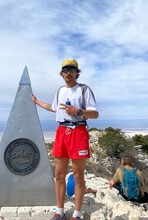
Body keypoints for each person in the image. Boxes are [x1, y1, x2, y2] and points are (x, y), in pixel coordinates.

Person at [31, 59, 99, 220]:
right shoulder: (60, 90)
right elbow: (53, 108)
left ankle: (76, 214)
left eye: (71, 69)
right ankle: (59, 211)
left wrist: (78, 111)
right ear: (61, 74)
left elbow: (95, 114)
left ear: (77, 72)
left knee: (77, 176)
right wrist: (36, 101)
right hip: (62, 131)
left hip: (78, 132)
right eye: (65, 70)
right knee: (59, 175)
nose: (68, 72)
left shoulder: (84, 90)